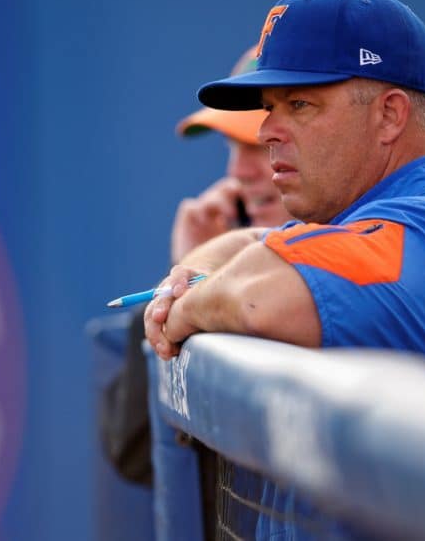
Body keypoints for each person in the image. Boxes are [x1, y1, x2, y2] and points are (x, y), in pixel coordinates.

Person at [144, 0, 425, 407]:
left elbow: (259, 296)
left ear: (389, 116)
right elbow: (250, 243)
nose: (267, 131)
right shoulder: (381, 213)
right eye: (270, 107)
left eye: (300, 105)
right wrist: (188, 272)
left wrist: (181, 307)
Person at [98, 47, 293, 492]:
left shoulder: (373, 258)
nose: (237, 171)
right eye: (233, 147)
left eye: (259, 146)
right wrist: (186, 275)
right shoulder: (232, 256)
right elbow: (136, 454)